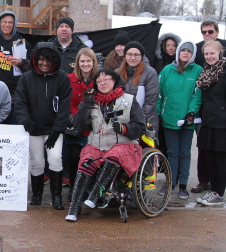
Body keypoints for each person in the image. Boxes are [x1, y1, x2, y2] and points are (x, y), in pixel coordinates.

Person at [65, 68, 146, 222]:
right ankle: (73, 209)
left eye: (106, 79)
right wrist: (85, 105)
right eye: (99, 81)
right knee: (86, 162)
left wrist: (124, 128)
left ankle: (94, 195)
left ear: (114, 81)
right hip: (97, 144)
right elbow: (79, 125)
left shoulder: (129, 100)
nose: (103, 83)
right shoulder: (92, 101)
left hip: (124, 144)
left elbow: (140, 127)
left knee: (115, 155)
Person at [15, 42, 72, 210]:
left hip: (54, 129)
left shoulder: (62, 78)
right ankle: (37, 195)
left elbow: (64, 107)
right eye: (41, 60)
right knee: (37, 162)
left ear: (54, 60)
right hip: (33, 128)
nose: (44, 63)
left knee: (55, 159)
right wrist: (25, 120)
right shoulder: (26, 78)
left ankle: (56, 196)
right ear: (35, 59)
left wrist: (57, 130)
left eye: (48, 60)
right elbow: (20, 102)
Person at [192, 20, 226, 194]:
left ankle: (219, 193)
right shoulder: (205, 72)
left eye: (212, 53)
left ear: (220, 53)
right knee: (208, 157)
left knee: (220, 160)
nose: (209, 56)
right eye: (206, 54)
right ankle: (210, 187)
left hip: (221, 122)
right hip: (207, 121)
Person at [156, 40, 202, 200]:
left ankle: (183, 185)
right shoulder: (167, 70)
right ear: (178, 52)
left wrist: (191, 113)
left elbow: (198, 95)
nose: (185, 53)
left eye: (189, 51)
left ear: (193, 54)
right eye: (183, 50)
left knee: (185, 153)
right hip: (169, 119)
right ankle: (170, 182)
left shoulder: (197, 71)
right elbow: (159, 94)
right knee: (172, 152)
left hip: (187, 121)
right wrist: (158, 113)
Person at [65, 48, 98, 197]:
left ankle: (87, 188)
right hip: (74, 125)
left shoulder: (98, 80)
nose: (85, 64)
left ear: (93, 62)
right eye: (82, 61)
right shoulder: (68, 78)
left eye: (88, 61)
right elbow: (66, 101)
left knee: (89, 160)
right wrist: (74, 117)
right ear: (77, 63)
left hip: (92, 126)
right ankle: (73, 186)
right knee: (73, 158)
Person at [117, 41, 160, 133]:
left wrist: (136, 121)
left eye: (136, 55)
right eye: (129, 54)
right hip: (123, 123)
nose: (133, 58)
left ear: (141, 56)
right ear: (125, 56)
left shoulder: (150, 73)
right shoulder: (117, 73)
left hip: (145, 121)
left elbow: (150, 103)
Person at [152, 32, 182, 155]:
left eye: (173, 45)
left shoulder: (181, 64)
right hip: (159, 102)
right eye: (168, 45)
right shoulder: (157, 61)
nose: (170, 48)